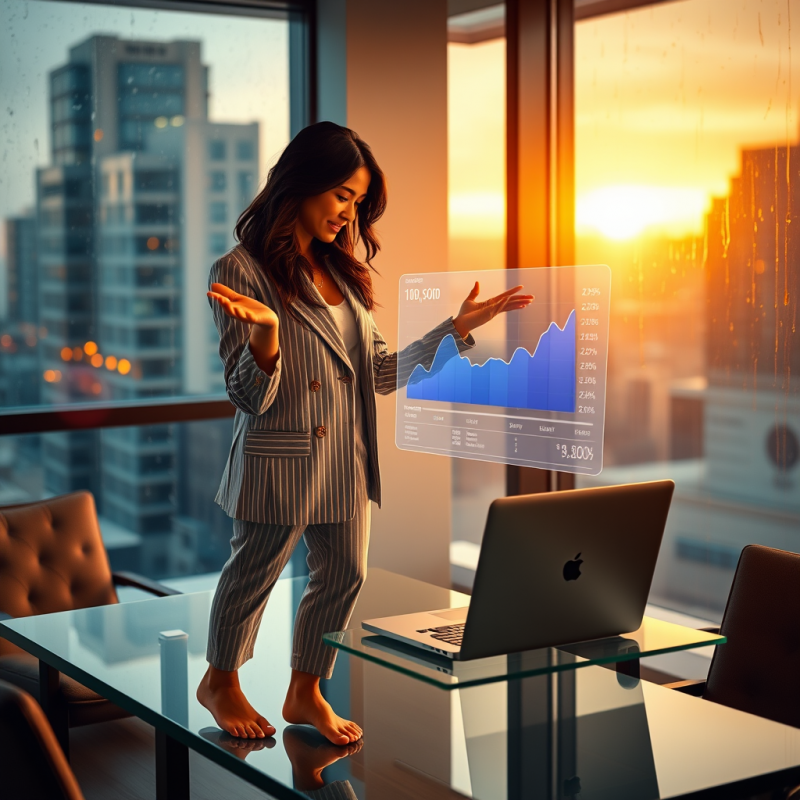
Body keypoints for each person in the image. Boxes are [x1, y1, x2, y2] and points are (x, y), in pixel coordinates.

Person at [197, 121, 533, 746]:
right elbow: (247, 396)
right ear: (301, 183)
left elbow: (379, 373)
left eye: (357, 200)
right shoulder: (238, 269)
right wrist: (267, 339)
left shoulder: (342, 272)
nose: (348, 211)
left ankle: (305, 690)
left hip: (346, 460)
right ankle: (220, 680)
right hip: (281, 458)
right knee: (255, 572)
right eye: (341, 195)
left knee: (346, 574)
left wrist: (454, 332)